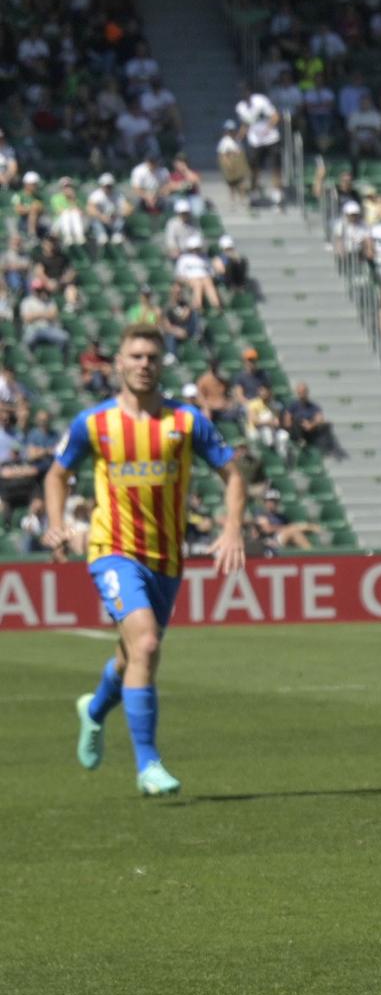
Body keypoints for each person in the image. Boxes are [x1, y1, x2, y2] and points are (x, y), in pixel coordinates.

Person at [43, 325, 247, 796]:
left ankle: (94, 709)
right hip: (112, 550)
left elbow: (231, 474)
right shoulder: (93, 424)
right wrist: (55, 525)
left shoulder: (187, 421)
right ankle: (148, 764)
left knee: (132, 652)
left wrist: (232, 526)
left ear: (161, 364)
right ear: (118, 363)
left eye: (152, 356)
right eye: (135, 355)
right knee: (148, 645)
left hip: (167, 559)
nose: (143, 364)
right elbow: (57, 475)